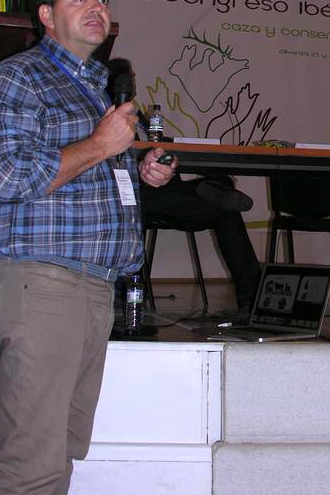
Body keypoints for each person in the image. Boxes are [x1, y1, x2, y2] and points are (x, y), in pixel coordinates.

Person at [0, 0, 175, 495]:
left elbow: (77, 175)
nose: (96, 7)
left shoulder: (95, 88)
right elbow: (8, 177)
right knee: (22, 469)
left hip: (91, 291)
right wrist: (103, 145)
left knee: (56, 462)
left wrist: (137, 168)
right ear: (46, 17)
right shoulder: (19, 80)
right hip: (41, 288)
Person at [107, 59, 261, 314]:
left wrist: (168, 157)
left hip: (165, 189)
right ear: (116, 82)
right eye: (129, 77)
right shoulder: (107, 115)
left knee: (226, 210)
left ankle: (252, 299)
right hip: (134, 195)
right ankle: (213, 187)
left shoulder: (142, 117)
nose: (134, 81)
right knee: (210, 192)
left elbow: (159, 152)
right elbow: (121, 159)